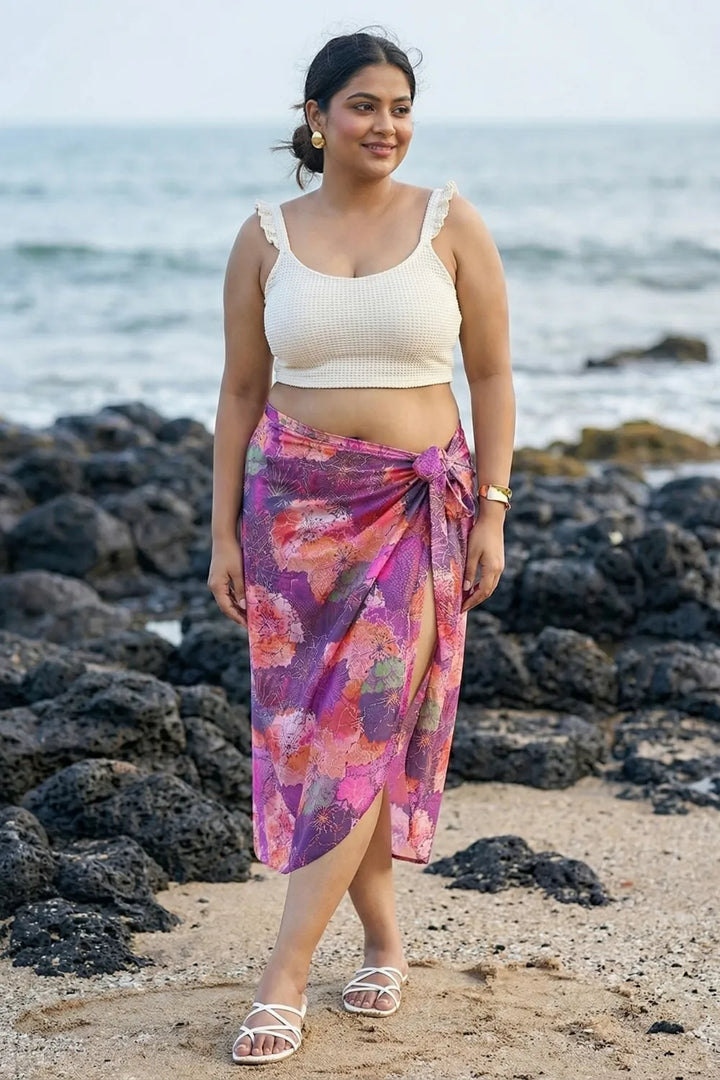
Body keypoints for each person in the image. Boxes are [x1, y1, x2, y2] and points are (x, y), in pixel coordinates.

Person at [207, 28, 515, 1066]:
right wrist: (221, 531)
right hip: (293, 517)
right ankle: (383, 940)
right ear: (317, 116)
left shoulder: (449, 221)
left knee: (359, 723)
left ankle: (284, 977)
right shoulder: (263, 236)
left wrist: (495, 509)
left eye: (401, 107)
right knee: (327, 739)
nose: (387, 125)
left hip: (418, 509)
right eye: (364, 106)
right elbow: (240, 392)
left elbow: (492, 376)